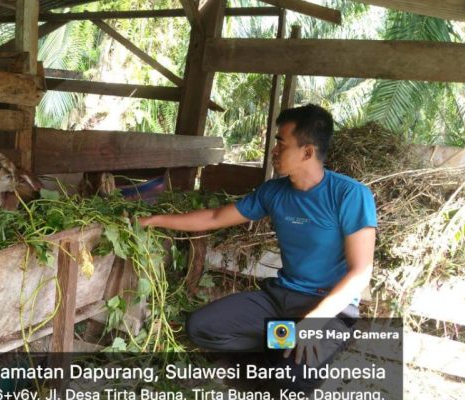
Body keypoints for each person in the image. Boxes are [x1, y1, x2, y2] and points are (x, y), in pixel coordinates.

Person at [139, 104, 377, 390]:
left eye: (280, 142)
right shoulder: (273, 192)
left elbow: (361, 272)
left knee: (290, 380)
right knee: (201, 327)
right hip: (279, 299)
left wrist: (312, 322)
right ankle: (278, 351)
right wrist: (155, 219)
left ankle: (280, 359)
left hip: (328, 308)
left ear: (307, 152)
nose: (273, 150)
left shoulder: (349, 195)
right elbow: (215, 217)